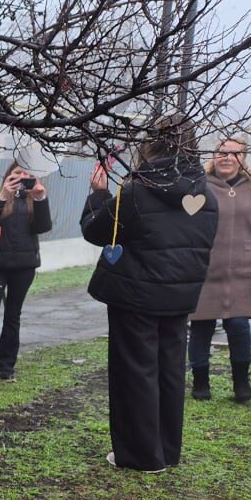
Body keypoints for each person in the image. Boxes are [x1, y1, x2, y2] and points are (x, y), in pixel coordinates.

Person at [81, 114, 218, 472]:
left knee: (135, 372)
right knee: (170, 372)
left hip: (136, 294)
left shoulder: (137, 191)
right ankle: (166, 451)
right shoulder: (206, 195)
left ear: (151, 143)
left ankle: (142, 456)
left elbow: (96, 231)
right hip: (180, 296)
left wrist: (97, 195)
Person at [188, 137, 251, 402]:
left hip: (243, 270)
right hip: (204, 269)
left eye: (234, 153)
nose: (227, 158)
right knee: (200, 326)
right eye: (221, 153)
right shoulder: (199, 185)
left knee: (239, 325)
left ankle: (241, 384)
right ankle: (200, 384)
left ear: (244, 158)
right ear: (214, 156)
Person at [0, 162, 54, 382]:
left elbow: (43, 227)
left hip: (24, 266)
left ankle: (6, 365)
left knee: (13, 316)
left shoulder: (33, 201)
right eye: (16, 174)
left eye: (26, 175)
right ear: (7, 176)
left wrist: (41, 197)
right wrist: (3, 196)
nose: (21, 178)